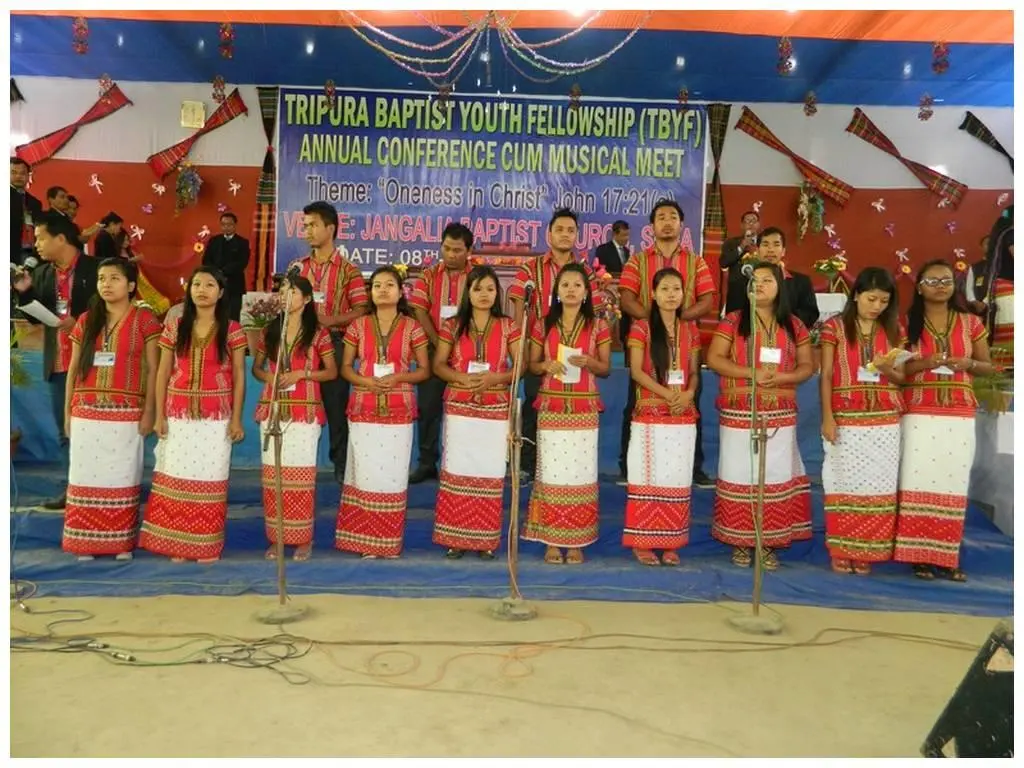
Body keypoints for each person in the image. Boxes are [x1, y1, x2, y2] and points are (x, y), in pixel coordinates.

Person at [706, 261, 814, 570]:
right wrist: (751, 373)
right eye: (755, 280)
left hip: (779, 413)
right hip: (740, 411)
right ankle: (740, 540)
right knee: (739, 473)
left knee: (774, 476)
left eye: (768, 280)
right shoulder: (733, 321)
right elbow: (714, 358)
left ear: (781, 287)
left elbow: (808, 366)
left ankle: (768, 542)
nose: (760, 285)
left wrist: (783, 377)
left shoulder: (795, 325)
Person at [138, 267, 247, 563]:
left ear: (220, 293)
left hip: (216, 418)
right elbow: (163, 371)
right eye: (196, 284)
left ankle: (205, 545)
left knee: (211, 475)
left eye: (209, 285)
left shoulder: (233, 329)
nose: (201, 290)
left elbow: (239, 374)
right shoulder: (175, 326)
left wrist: (237, 418)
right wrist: (159, 416)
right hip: (178, 415)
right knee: (177, 474)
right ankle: (178, 544)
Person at [895, 260, 994, 582]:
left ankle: (946, 556)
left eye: (947, 280)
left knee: (952, 482)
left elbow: (988, 367)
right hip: (919, 412)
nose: (940, 286)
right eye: (933, 280)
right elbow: (898, 370)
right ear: (919, 286)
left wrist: (968, 363)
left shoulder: (971, 323)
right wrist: (925, 362)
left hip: (959, 412)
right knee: (917, 481)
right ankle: (918, 556)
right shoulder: (905, 323)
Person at [61, 259, 162, 560]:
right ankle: (84, 542)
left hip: (127, 412)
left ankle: (120, 542)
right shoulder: (86, 320)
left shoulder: (146, 321)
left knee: (122, 475)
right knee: (85, 475)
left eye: (114, 278)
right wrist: (68, 412)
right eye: (102, 278)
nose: (106, 284)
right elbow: (73, 369)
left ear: (131, 286)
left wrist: (150, 412)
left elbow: (154, 369)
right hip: (86, 410)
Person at [618, 199, 715, 488]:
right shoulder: (637, 261)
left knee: (691, 401)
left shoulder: (696, 261)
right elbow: (626, 298)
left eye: (673, 216)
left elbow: (707, 300)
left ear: (682, 224)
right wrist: (655, 322)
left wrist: (678, 319)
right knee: (634, 400)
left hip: (685, 341)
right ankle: (629, 466)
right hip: (646, 339)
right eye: (661, 217)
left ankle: (693, 468)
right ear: (652, 226)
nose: (667, 222)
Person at [336, 266, 430, 559]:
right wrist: (366, 381)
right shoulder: (357, 326)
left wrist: (399, 377)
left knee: (392, 476)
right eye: (377, 285)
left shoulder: (413, 327)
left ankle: (387, 542)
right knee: (364, 474)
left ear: (401, 292)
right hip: (363, 407)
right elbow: (345, 368)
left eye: (390, 285)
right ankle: (365, 540)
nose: (383, 290)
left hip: (399, 410)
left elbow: (424, 370)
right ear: (370, 292)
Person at [819, 267, 907, 575]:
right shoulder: (834, 327)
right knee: (843, 481)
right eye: (871, 299)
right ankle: (842, 548)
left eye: (884, 301)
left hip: (884, 420)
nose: (877, 306)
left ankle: (867, 549)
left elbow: (901, 376)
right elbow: (826, 375)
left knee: (878, 483)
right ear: (856, 295)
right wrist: (827, 417)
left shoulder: (894, 330)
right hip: (846, 415)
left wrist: (885, 368)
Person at [523, 262, 612, 565]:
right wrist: (545, 365)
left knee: (580, 474)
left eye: (577, 285)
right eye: (565, 285)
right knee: (551, 474)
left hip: (585, 409)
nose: (571, 290)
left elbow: (606, 368)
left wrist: (590, 362)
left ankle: (577, 540)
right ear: (556, 291)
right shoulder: (542, 324)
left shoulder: (598, 325)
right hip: (552, 407)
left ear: (586, 292)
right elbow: (532, 365)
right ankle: (551, 539)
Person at [431, 265, 520, 559]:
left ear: (498, 294)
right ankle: (455, 539)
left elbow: (521, 366)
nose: (484, 294)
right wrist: (460, 378)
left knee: (489, 471)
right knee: (458, 470)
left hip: (495, 409)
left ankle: (485, 540)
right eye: (478, 288)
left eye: (490, 289)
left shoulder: (509, 326)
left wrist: (495, 378)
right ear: (467, 293)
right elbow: (438, 365)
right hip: (460, 407)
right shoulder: (452, 325)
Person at [12, 211, 100, 510]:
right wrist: (24, 292)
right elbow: (33, 316)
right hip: (59, 363)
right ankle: (73, 491)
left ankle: (103, 488)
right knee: (66, 431)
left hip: (94, 362)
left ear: (60, 238)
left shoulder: (97, 269)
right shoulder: (41, 273)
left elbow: (112, 308)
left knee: (98, 428)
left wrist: (83, 320)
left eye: (40, 238)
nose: (35, 244)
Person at [507, 208, 598, 480]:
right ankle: (528, 465)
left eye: (570, 230)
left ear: (577, 235)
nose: (565, 235)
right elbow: (519, 310)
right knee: (534, 405)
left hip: (576, 353)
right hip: (539, 349)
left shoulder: (586, 272)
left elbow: (594, 311)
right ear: (549, 234)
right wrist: (522, 347)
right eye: (559, 229)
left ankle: (563, 466)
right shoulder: (530, 269)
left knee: (572, 408)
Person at [252, 275, 337, 562]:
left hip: (305, 411)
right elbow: (257, 369)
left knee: (300, 478)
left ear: (307, 298)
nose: (285, 295)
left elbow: (332, 372)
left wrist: (302, 374)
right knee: (273, 476)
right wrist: (270, 378)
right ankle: (276, 539)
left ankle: (302, 539)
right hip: (273, 408)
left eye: (293, 291)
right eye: (283, 291)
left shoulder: (318, 333)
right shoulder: (270, 329)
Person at [623, 267, 701, 566]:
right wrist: (668, 395)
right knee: (647, 477)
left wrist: (689, 393)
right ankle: (642, 542)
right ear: (653, 295)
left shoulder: (690, 330)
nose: (671, 295)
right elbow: (636, 371)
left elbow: (694, 372)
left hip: (682, 414)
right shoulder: (641, 327)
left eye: (676, 289)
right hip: (650, 413)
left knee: (676, 477)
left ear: (684, 294)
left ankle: (671, 541)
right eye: (665, 289)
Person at [289, 201, 369, 484]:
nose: (307, 231)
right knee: (296, 400)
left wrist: (328, 320)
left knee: (336, 407)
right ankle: (295, 460)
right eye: (305, 226)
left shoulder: (349, 270)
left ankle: (341, 464)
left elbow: (361, 309)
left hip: (334, 343)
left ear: (330, 228)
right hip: (300, 344)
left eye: (313, 225)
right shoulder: (298, 268)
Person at [408, 222, 474, 483]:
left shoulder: (477, 277)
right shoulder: (429, 275)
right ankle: (427, 462)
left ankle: (463, 463)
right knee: (428, 407)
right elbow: (419, 309)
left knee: (468, 408)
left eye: (457, 250)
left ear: (469, 251)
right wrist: (439, 343)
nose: (451, 254)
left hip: (469, 352)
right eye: (446, 248)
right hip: (434, 348)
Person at [723, 226, 820, 331]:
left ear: (783, 251)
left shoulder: (801, 282)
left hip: (789, 336)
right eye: (765, 245)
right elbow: (732, 317)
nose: (770, 250)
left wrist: (778, 323)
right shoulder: (741, 281)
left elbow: (810, 314)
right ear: (758, 250)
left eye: (776, 244)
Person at [202, 212, 250, 322]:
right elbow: (206, 260)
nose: (226, 227)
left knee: (233, 317)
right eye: (223, 224)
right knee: (215, 316)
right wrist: (216, 272)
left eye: (229, 224)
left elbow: (242, 263)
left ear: (235, 225)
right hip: (215, 284)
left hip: (234, 286)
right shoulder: (214, 241)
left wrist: (223, 271)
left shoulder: (242, 242)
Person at [718, 210, 762, 315]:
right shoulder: (731, 243)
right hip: (737, 294)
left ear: (758, 224)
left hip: (760, 291)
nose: (751, 224)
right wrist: (741, 247)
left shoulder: (763, 243)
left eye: (754, 221)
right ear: (742, 225)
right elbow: (723, 262)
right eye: (747, 221)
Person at [10, 157, 42, 266]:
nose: (18, 176)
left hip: (31, 253)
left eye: (23, 173)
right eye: (13, 172)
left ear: (28, 176)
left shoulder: (35, 203)